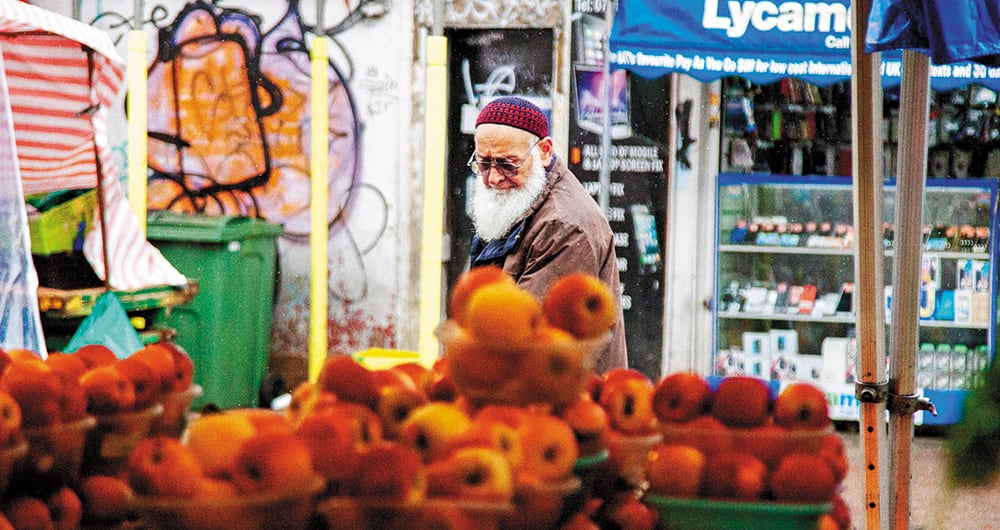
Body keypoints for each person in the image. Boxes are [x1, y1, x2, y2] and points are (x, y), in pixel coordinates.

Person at [466, 96, 627, 373]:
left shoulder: (564, 226)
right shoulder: (521, 204)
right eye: (483, 164)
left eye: (508, 164)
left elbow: (530, 336)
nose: (492, 178)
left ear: (544, 151)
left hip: (562, 397)